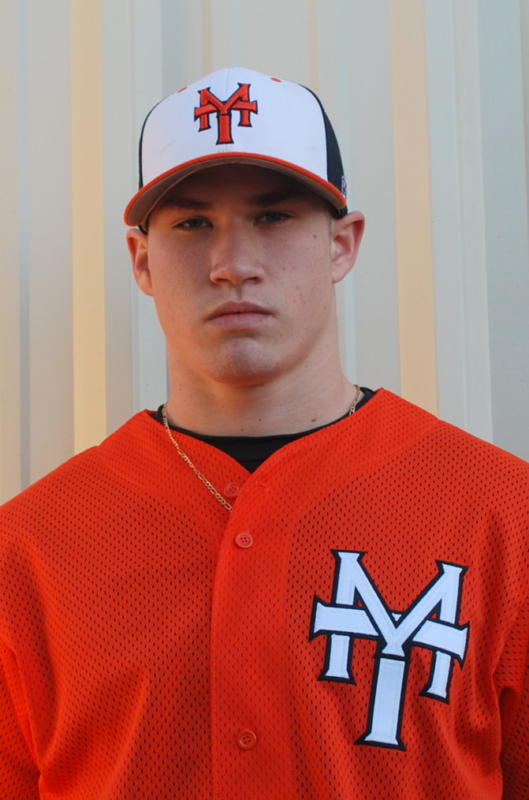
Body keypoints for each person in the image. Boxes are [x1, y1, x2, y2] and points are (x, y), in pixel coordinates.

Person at [0, 67, 528, 800]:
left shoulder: (502, 512)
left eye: (273, 217)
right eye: (192, 224)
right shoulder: (30, 546)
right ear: (142, 260)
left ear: (342, 244)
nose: (232, 266)